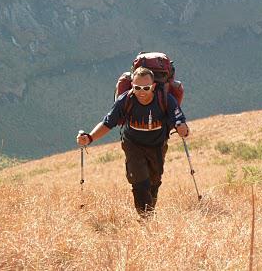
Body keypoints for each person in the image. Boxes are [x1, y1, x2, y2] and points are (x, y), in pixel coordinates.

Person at [77, 67, 189, 218]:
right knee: (140, 182)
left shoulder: (165, 100)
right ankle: (147, 219)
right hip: (133, 145)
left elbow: (180, 122)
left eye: (146, 88)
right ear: (132, 85)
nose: (141, 91)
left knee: (154, 182)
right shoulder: (125, 100)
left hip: (157, 146)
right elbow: (107, 123)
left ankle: (148, 212)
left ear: (153, 86)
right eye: (137, 87)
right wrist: (89, 138)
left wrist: (183, 129)